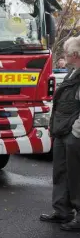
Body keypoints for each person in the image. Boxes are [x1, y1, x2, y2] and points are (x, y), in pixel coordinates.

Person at [42, 36, 80, 231]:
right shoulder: (71, 73)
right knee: (61, 173)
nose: (64, 55)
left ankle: (78, 216)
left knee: (76, 176)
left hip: (72, 134)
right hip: (61, 131)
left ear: (74, 55)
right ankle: (62, 211)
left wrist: (76, 133)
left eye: (67, 52)